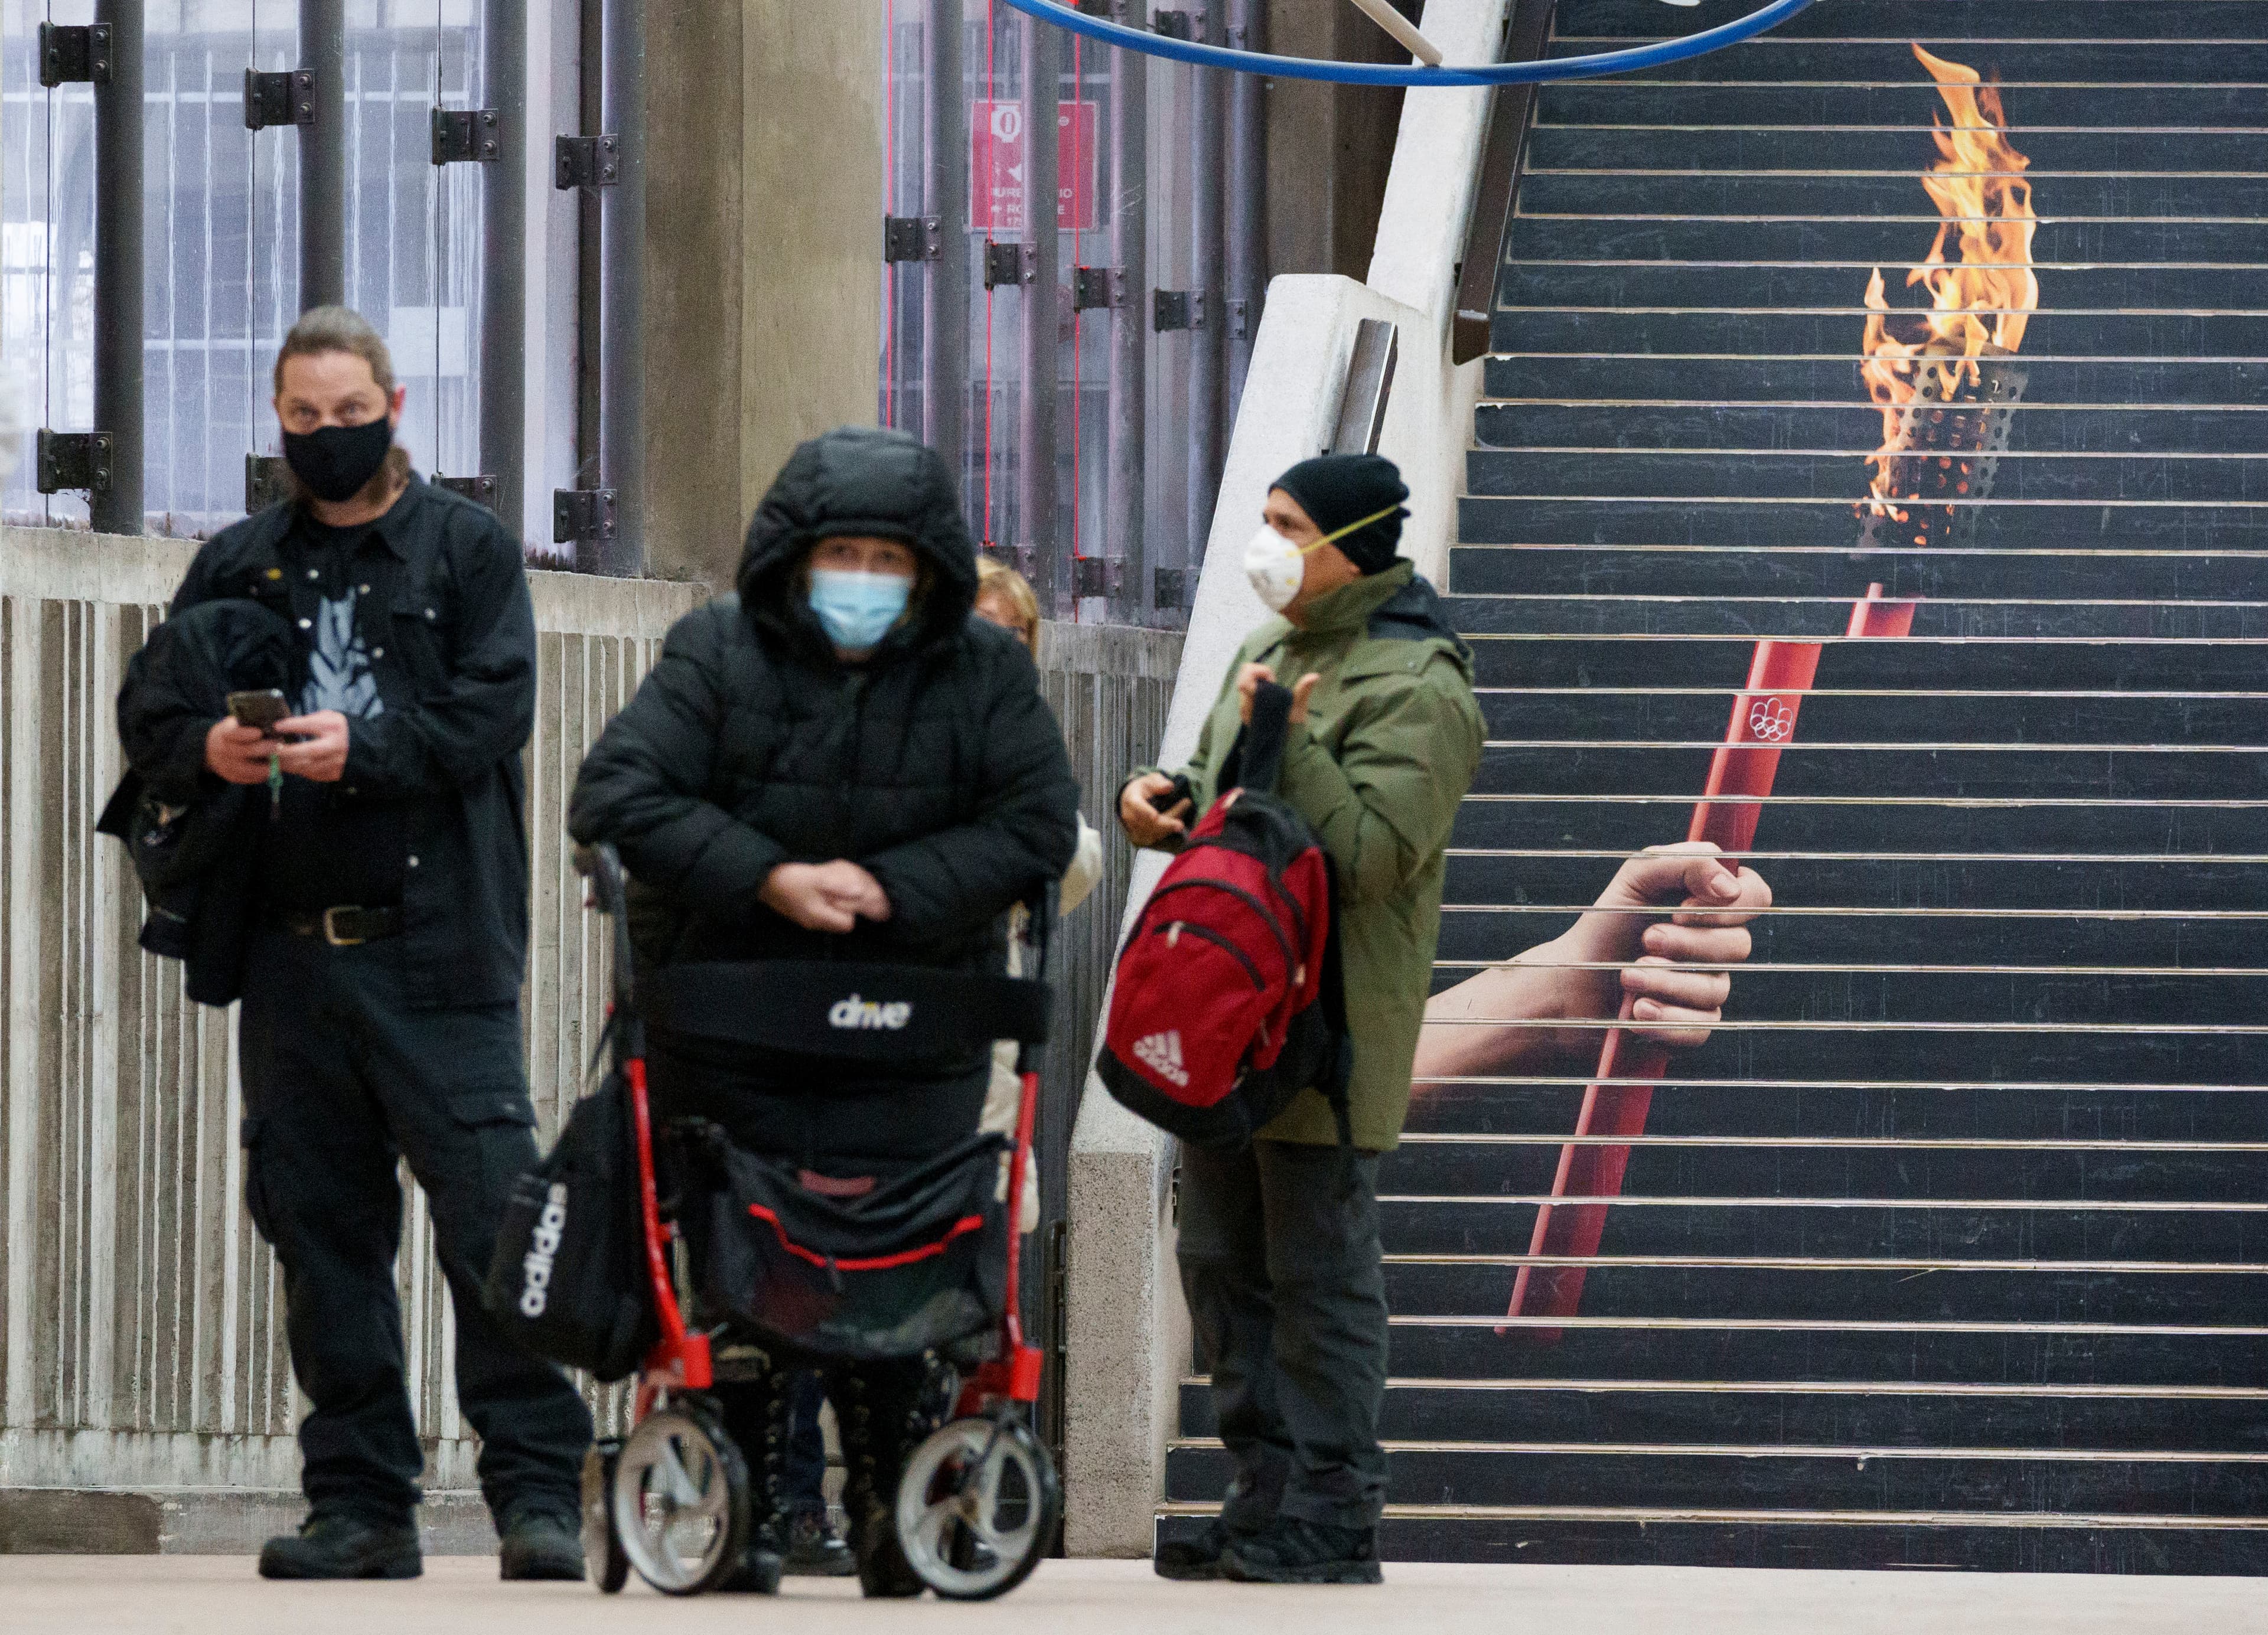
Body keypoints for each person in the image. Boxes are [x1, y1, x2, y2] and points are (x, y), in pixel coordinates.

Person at [1119, 453, 1770, 1587]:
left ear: (1352, 540)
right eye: (1265, 520)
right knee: (1222, 1260)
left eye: (1287, 525)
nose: (1264, 545)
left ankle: (1332, 1513)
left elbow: (1369, 857)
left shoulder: (1424, 683)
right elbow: (1227, 803)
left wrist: (1296, 746)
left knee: (1320, 1279)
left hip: (1330, 1031)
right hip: (1229, 1023)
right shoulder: (1268, 652)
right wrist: (1163, 800)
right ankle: (1258, 1497)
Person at [113, 306, 593, 1582]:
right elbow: (151, 703)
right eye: (303, 417)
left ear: (394, 405)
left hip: (439, 951)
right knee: (321, 1233)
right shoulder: (233, 560)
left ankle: (540, 1492)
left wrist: (359, 748)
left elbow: (492, 709)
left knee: (494, 1219)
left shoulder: (468, 550)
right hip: (288, 955)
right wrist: (206, 746)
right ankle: (361, 1504)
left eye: (349, 410)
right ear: (278, 422)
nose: (329, 435)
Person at [566, 424, 1081, 1595]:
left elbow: (1037, 825)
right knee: (741, 1255)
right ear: (794, 558)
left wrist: (895, 886)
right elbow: (616, 789)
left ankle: (890, 1482)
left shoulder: (984, 674)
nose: (863, 577)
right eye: (842, 552)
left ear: (928, 566)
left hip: (913, 1039)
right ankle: (742, 1490)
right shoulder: (717, 653)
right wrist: (769, 873)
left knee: (898, 1261)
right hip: (738, 1034)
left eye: (887, 556)